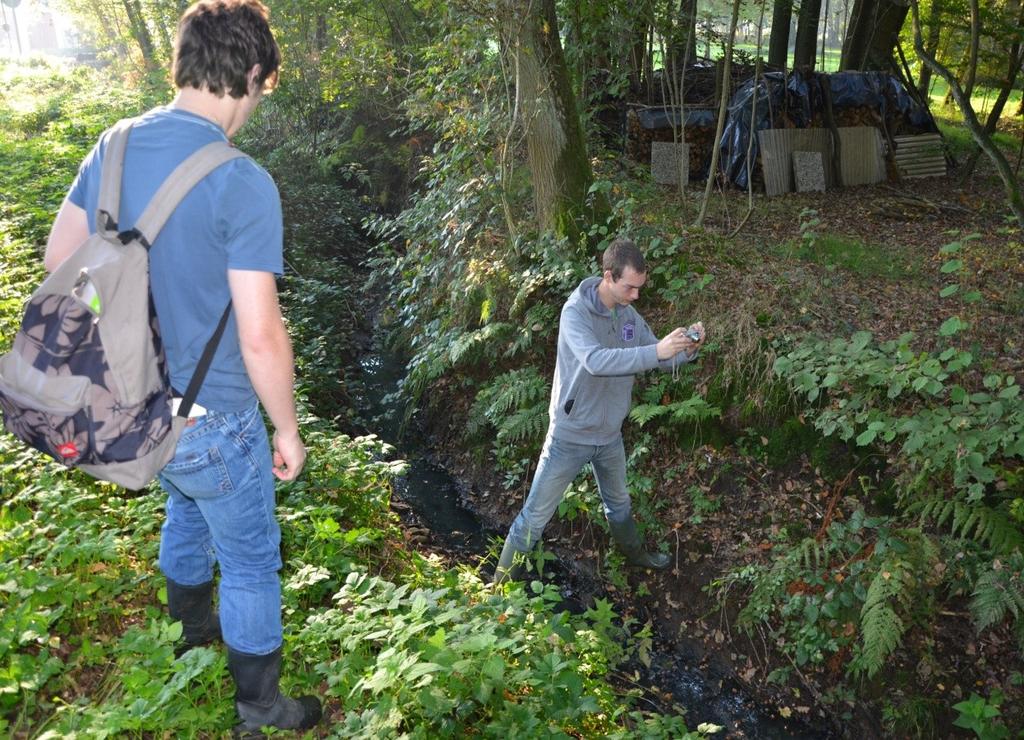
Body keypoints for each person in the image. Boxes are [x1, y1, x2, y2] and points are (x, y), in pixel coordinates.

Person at [43, 0, 321, 733]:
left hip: (129, 407)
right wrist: (287, 429)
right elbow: (260, 335)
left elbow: (58, 262)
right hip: (213, 415)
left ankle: (188, 634)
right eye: (264, 89)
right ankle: (261, 707)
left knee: (183, 501)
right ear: (253, 74)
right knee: (253, 557)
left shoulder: (115, 144)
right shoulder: (242, 181)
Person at [494, 237, 704, 583]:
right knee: (534, 518)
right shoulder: (575, 312)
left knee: (619, 504)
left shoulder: (629, 316)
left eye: (640, 288)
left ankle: (635, 557)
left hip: (609, 437)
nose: (636, 295)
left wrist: (687, 347)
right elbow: (594, 361)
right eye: (630, 287)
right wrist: (658, 352)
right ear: (608, 276)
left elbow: (659, 356)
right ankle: (497, 592)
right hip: (570, 436)